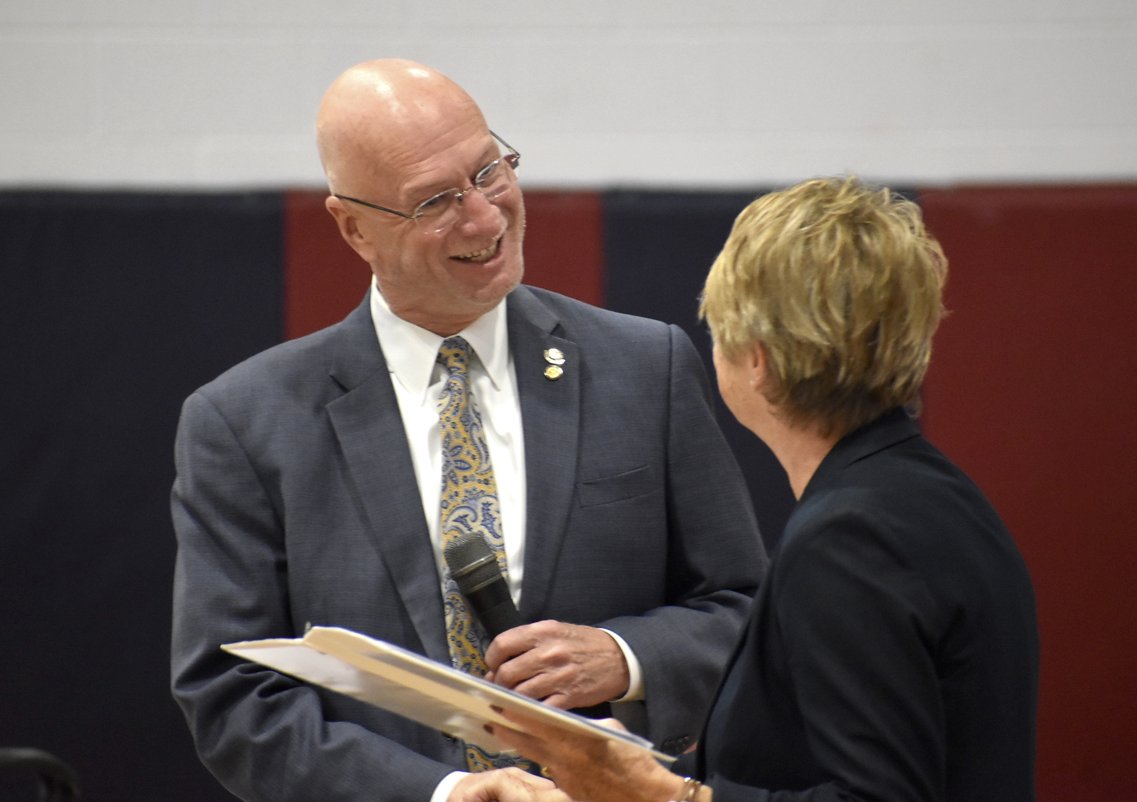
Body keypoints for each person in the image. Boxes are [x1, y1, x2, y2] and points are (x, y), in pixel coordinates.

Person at [169, 59, 766, 802]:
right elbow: (231, 695)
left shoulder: (646, 367)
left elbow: (748, 610)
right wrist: (445, 793)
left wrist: (626, 655)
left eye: (489, 171)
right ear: (353, 227)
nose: (485, 218)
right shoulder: (245, 422)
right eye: (435, 202)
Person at [490, 176, 1040, 802]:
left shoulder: (851, 538)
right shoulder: (935, 498)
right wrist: (635, 773)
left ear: (758, 360)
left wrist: (664, 797)